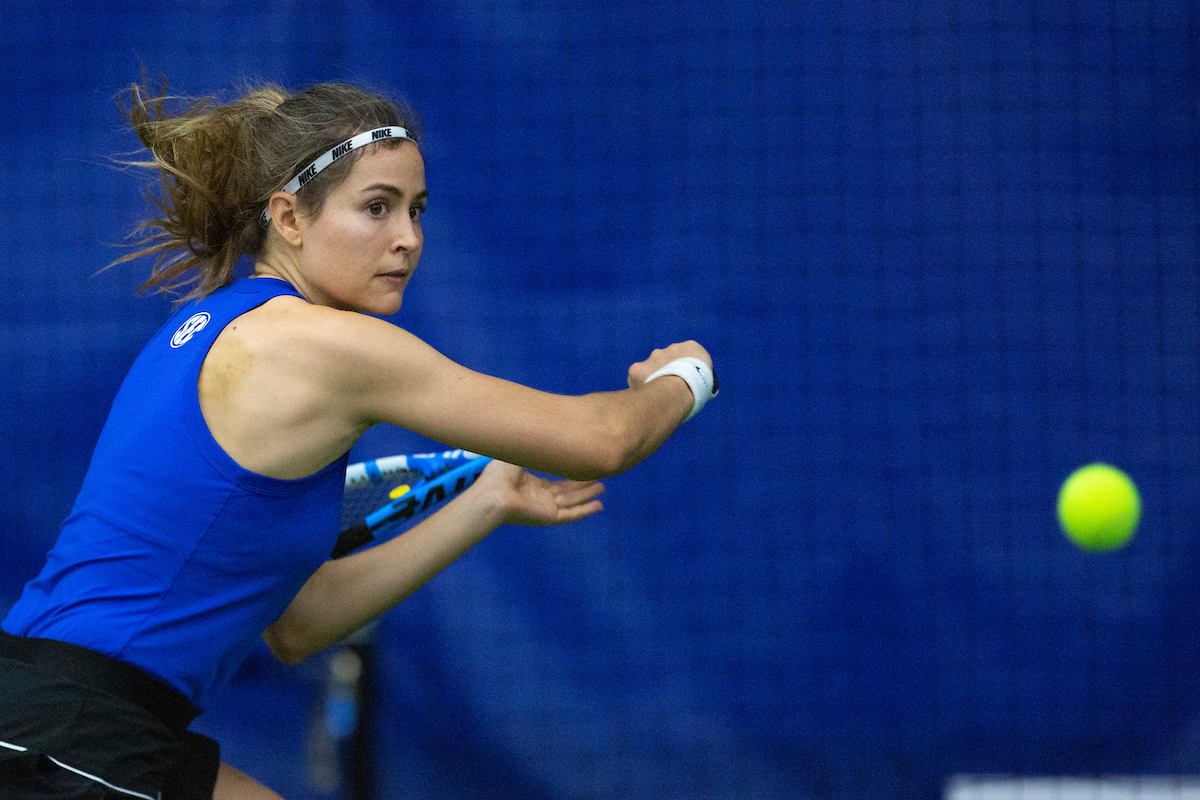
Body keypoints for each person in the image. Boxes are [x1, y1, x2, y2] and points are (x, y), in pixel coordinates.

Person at [0, 79, 717, 799]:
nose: (407, 237)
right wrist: (684, 378)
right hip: (72, 735)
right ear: (289, 217)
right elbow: (601, 440)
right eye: (377, 208)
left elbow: (298, 626)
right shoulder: (322, 348)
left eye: (416, 210)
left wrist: (485, 502)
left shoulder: (217, 324)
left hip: (76, 715)